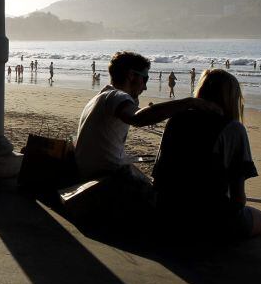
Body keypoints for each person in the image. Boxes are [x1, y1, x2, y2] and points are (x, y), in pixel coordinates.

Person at [74, 52, 220, 214]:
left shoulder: (99, 97)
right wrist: (190, 102)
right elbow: (138, 118)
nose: (144, 87)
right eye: (145, 79)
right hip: (105, 178)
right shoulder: (116, 96)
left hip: (88, 173)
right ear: (131, 76)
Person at [152, 69, 261, 241]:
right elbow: (239, 199)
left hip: (167, 213)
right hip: (210, 221)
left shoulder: (176, 120)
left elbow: (159, 176)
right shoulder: (233, 129)